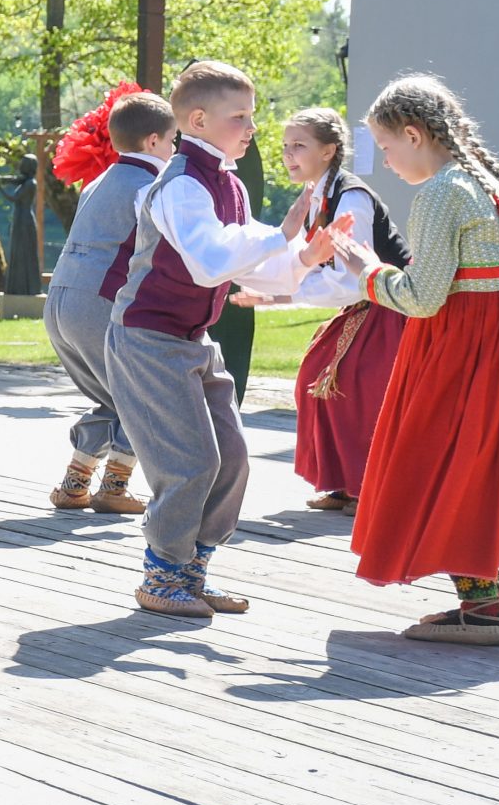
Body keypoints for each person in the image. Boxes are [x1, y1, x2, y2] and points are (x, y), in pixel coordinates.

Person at [326, 76, 499, 646]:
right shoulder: (485, 181)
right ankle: (482, 605)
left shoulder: (442, 191)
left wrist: (366, 270)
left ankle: (483, 608)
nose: (386, 162)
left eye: (386, 147)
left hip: (480, 344)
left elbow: (421, 297)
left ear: (414, 135)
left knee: (440, 459)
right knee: (476, 464)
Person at [106, 61, 339, 619]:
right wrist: (282, 236)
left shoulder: (228, 183)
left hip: (192, 340)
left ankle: (191, 571)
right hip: (148, 338)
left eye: (251, 116)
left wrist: (302, 256)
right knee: (190, 462)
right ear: (198, 120)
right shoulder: (181, 182)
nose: (251, 127)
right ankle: (162, 574)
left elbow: (248, 261)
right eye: (240, 117)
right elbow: (210, 260)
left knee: (231, 457)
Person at [257, 107, 414, 515]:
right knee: (315, 378)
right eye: (285, 146)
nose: (288, 154)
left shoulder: (351, 198)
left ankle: (373, 489)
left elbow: (351, 278)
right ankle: (345, 482)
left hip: (390, 304)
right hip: (365, 303)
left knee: (361, 389)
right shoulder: (317, 195)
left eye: (299, 145)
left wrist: (287, 295)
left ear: (328, 151)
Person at [42, 87, 177, 514]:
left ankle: (76, 482)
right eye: (172, 140)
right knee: (140, 393)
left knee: (112, 396)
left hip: (60, 299)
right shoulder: (151, 187)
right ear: (153, 141)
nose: (175, 149)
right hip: (100, 300)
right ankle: (114, 485)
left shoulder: (99, 181)